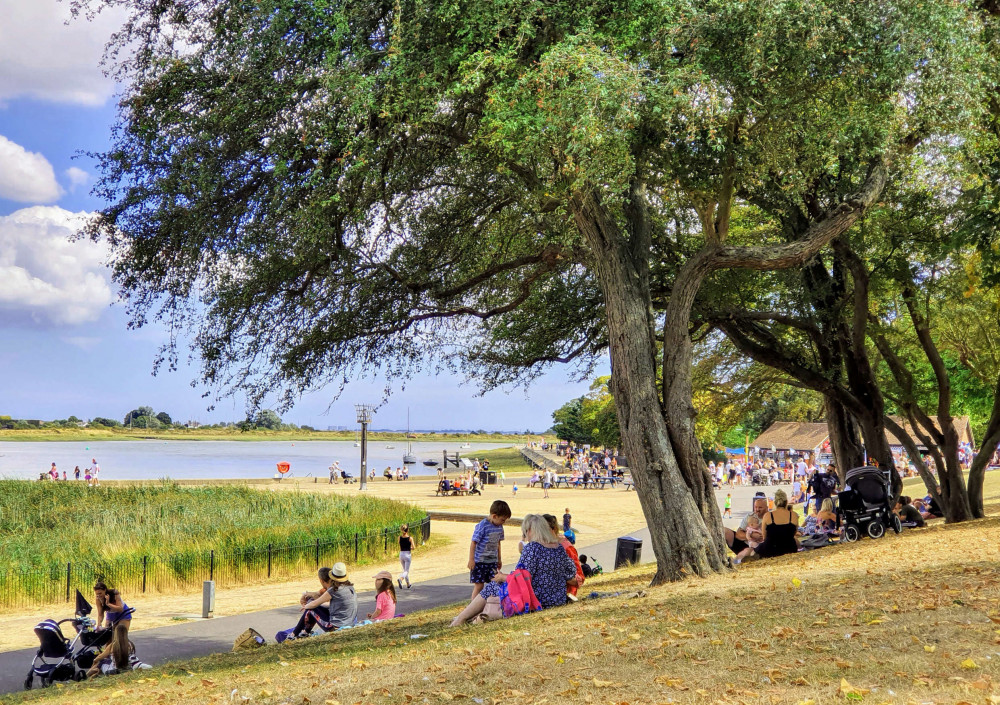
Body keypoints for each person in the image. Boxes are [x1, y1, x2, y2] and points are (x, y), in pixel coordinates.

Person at [451, 514, 577, 626]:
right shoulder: (559, 548)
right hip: (556, 600)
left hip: (536, 600)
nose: (525, 536)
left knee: (492, 587)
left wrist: (501, 577)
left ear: (530, 530)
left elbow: (521, 578)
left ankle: (460, 619)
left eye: (525, 532)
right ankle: (468, 617)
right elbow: (571, 573)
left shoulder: (533, 548)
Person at [286, 563, 357, 640]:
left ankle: (294, 634)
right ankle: (304, 633)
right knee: (314, 607)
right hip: (350, 622)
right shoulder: (350, 588)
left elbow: (315, 604)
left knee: (311, 609)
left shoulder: (334, 590)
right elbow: (331, 605)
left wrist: (306, 606)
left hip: (336, 627)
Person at [87, 582, 133, 678]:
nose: (98, 595)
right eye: (97, 594)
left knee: (119, 637)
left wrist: (108, 604)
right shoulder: (98, 599)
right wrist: (99, 625)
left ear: (105, 590)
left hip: (122, 615)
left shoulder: (114, 594)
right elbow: (100, 614)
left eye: (100, 593)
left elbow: (120, 608)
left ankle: (120, 660)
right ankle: (106, 661)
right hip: (111, 615)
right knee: (108, 638)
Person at [467, 500, 511, 599]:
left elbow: (498, 543)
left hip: (492, 561)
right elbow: (474, 542)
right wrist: (471, 559)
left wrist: (499, 559)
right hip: (480, 562)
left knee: (496, 581)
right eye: (502, 520)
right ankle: (473, 607)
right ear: (494, 516)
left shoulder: (499, 527)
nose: (503, 522)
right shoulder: (482, 526)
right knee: (479, 586)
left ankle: (491, 604)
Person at [544, 514, 583, 598]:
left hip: (564, 595)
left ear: (552, 530)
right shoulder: (538, 547)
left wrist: (558, 574)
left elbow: (579, 578)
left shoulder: (566, 548)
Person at [754, 489, 800, 558]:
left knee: (750, 550)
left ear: (775, 502)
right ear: (786, 502)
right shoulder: (794, 515)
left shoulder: (768, 515)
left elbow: (764, 536)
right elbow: (794, 533)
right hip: (789, 548)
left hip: (770, 549)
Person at [398, 524, 414, 589]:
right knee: (406, 571)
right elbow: (413, 547)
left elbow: (399, 544)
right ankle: (401, 579)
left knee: (404, 570)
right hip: (407, 554)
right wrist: (409, 547)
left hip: (401, 554)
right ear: (407, 530)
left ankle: (408, 583)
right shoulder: (410, 538)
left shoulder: (399, 537)